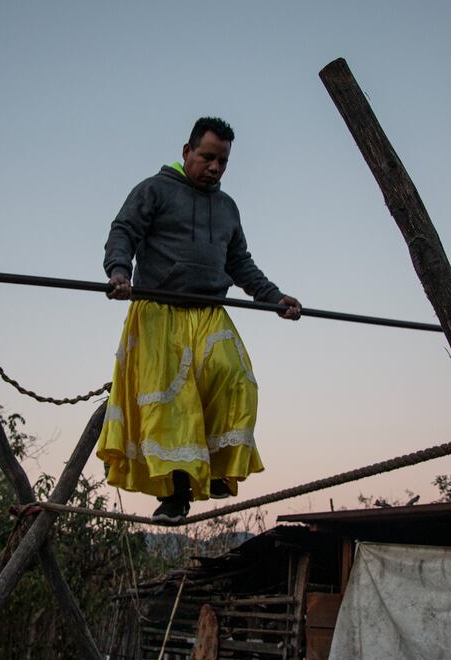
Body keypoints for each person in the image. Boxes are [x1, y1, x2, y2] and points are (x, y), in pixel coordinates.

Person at [97, 117, 301, 524]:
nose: (215, 167)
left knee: (234, 377)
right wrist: (119, 271)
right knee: (171, 406)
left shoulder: (226, 207)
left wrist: (273, 296)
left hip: (208, 309)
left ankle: (220, 468)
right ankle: (175, 496)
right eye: (208, 157)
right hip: (160, 309)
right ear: (187, 151)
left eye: (223, 161)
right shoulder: (153, 190)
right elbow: (124, 231)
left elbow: (239, 261)